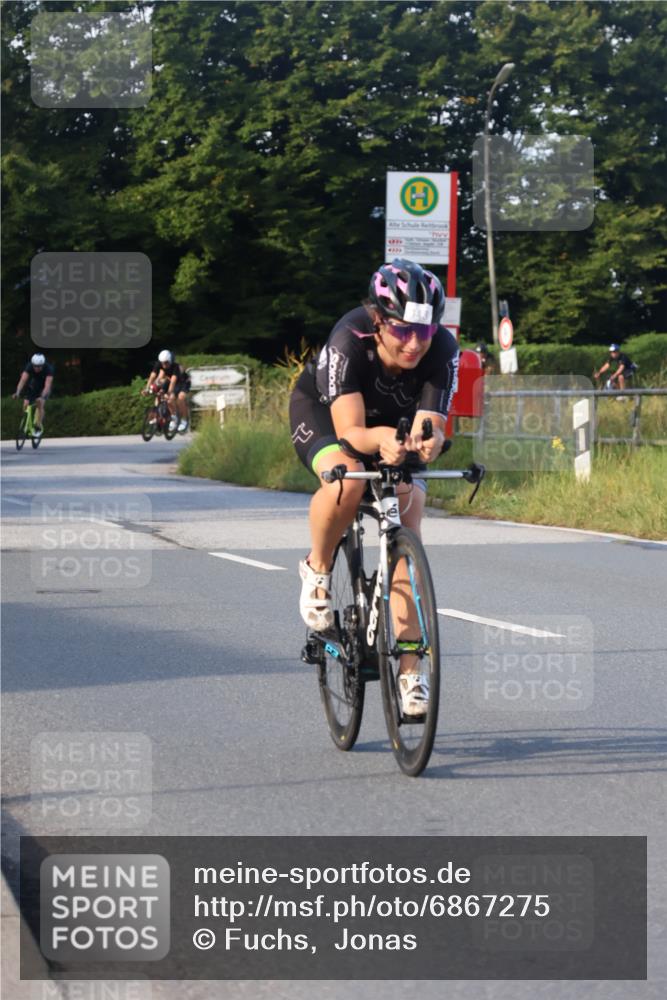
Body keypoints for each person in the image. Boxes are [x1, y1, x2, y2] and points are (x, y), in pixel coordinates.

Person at [289, 258, 459, 716]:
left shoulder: (443, 348)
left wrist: (429, 441)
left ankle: (410, 671)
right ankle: (318, 568)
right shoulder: (349, 338)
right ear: (379, 322)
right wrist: (380, 440)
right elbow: (352, 433)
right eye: (403, 331)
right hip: (328, 417)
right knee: (345, 481)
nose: (414, 344)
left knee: (408, 514)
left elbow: (431, 422)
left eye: (423, 333)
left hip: (391, 426)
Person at [144, 350, 190, 432]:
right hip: (170, 381)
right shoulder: (159, 364)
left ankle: (184, 420)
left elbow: (173, 381)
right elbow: (153, 376)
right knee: (163, 397)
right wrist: (147, 388)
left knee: (180, 398)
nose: (164, 365)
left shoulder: (175, 367)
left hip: (183, 382)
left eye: (166, 363)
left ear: (170, 361)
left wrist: (169, 392)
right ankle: (173, 417)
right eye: (162, 363)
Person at [12, 353, 54, 436]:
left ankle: (38, 425)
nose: (36, 368)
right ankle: (26, 421)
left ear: (43, 365)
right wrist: (17, 393)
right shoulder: (29, 366)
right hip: (34, 384)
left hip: (44, 387)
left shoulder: (48, 369)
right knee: (26, 404)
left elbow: (47, 386)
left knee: (40, 404)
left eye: (39, 366)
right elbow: (22, 380)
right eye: (35, 366)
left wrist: (42, 397)